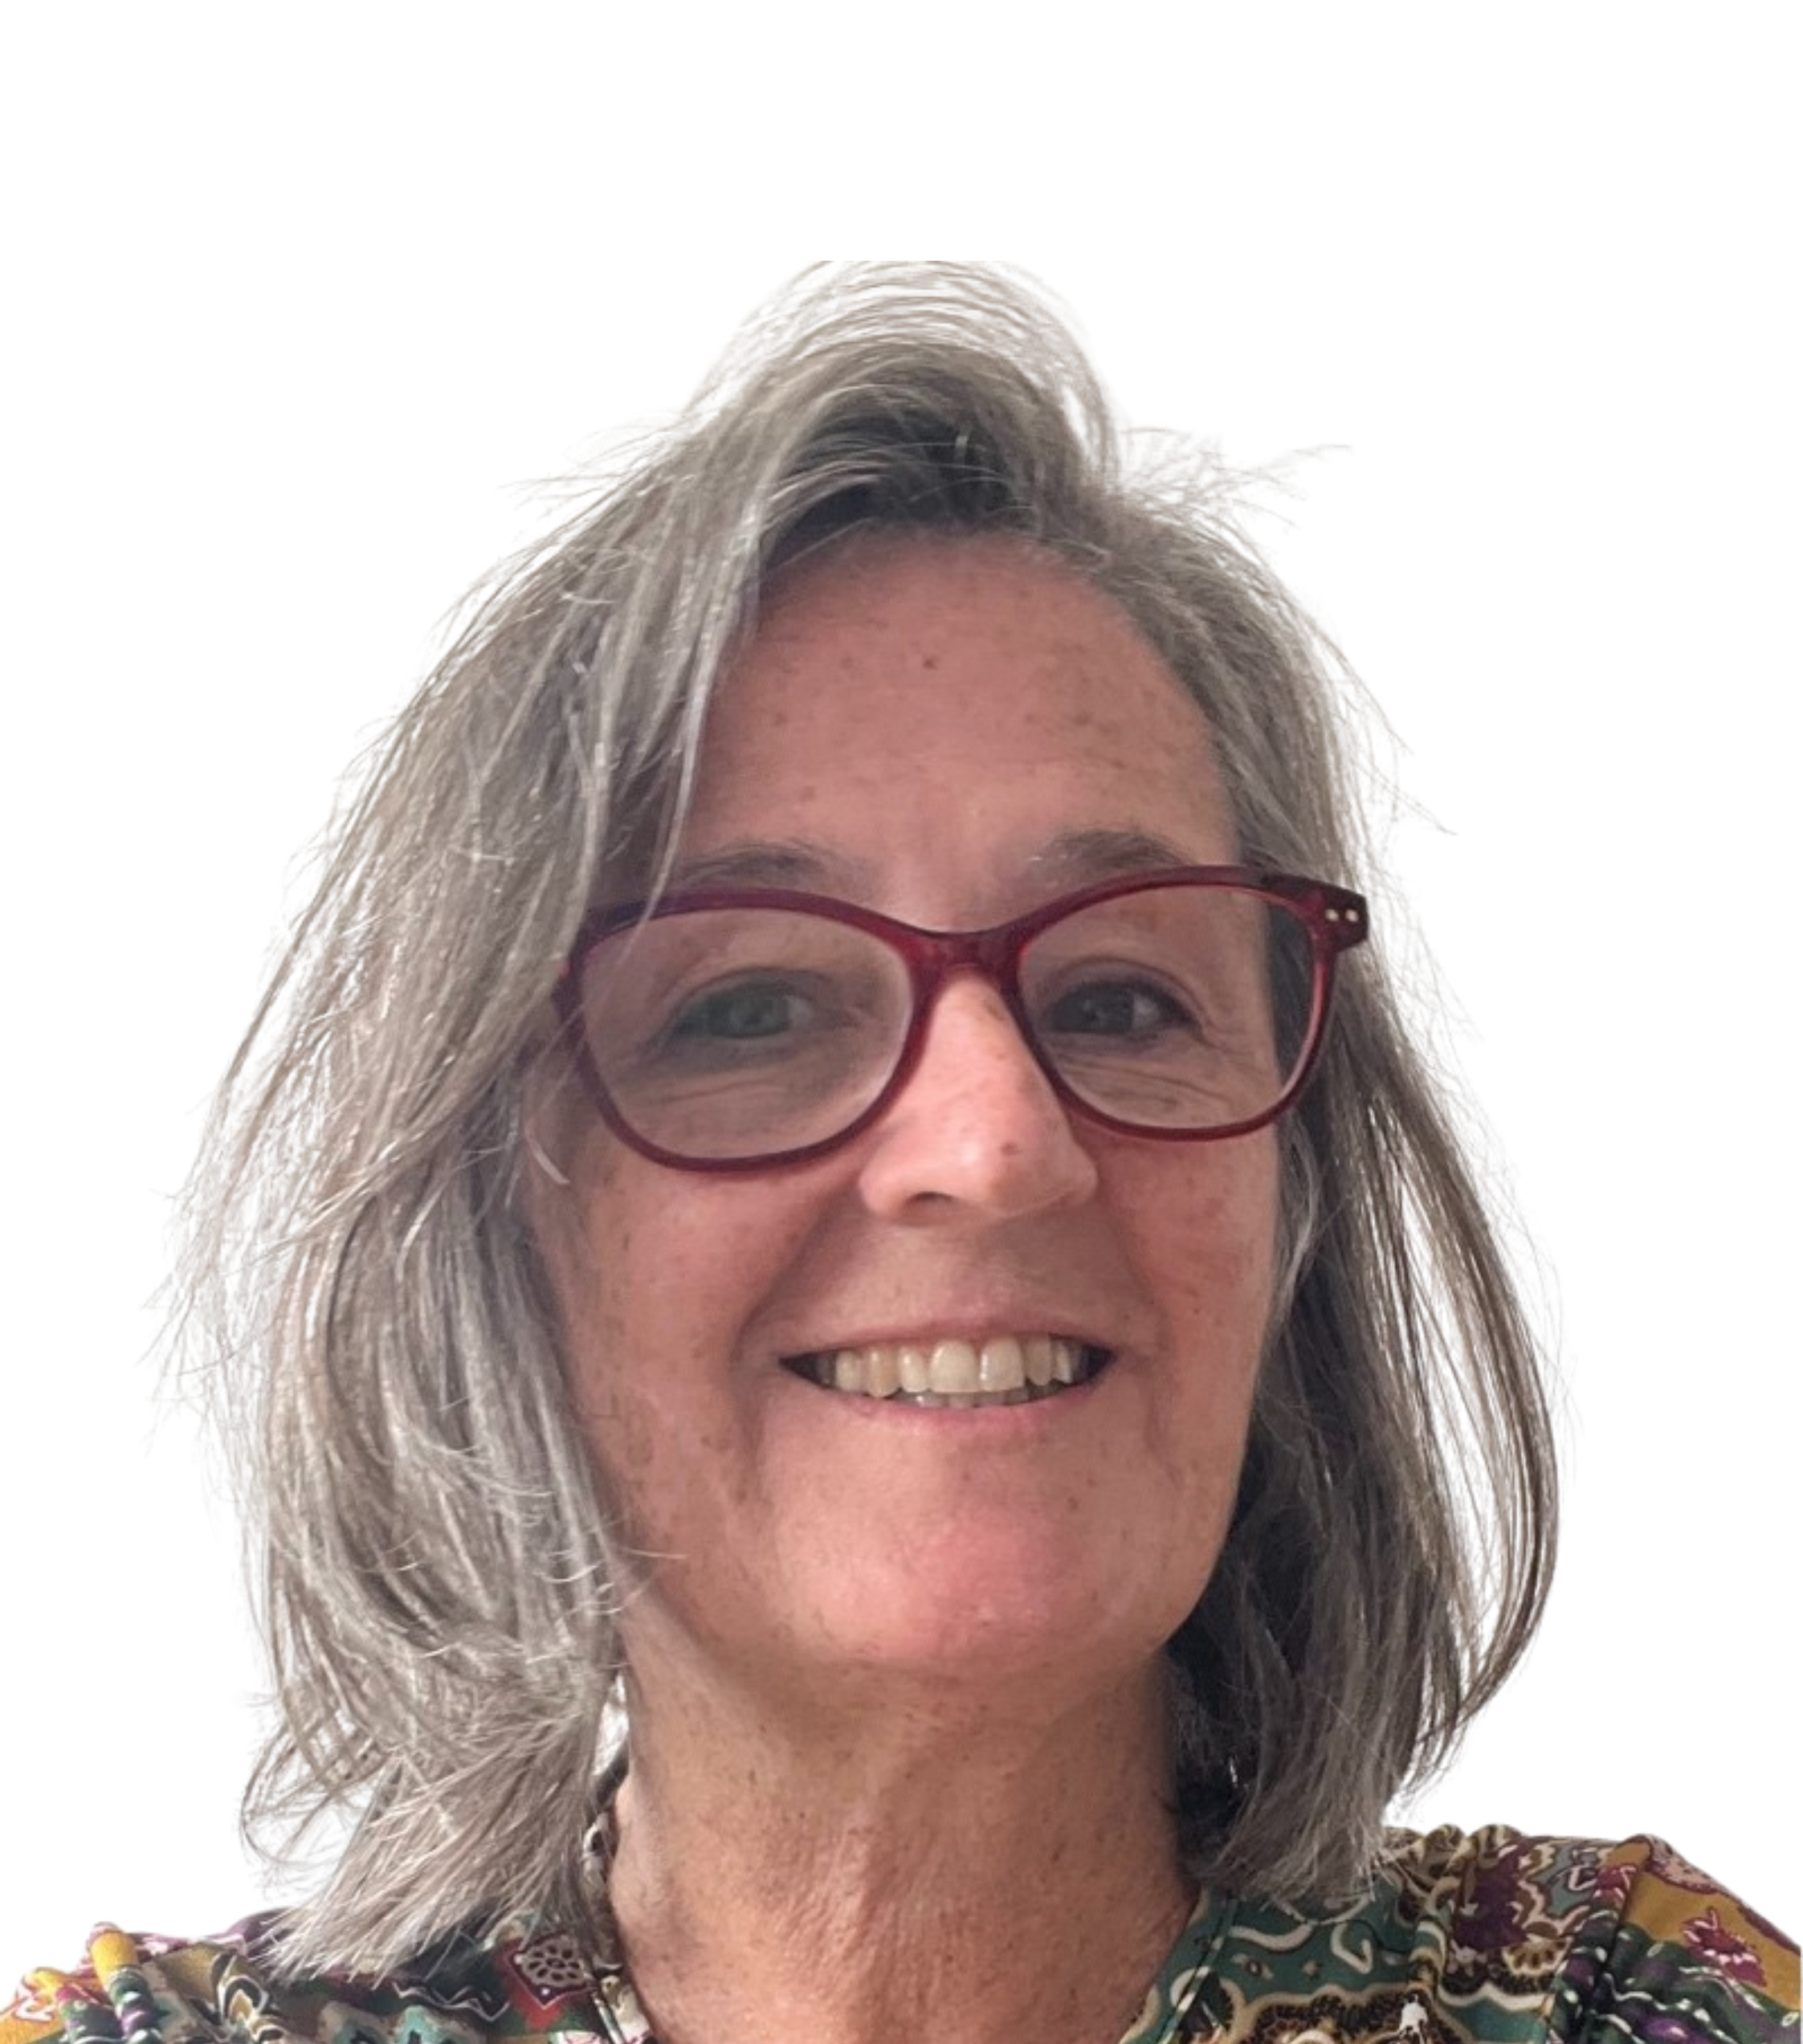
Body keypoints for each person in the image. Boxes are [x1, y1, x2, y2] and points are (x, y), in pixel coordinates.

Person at [6, 263, 1793, 2044]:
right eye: (749, 1008)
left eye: (1120, 995)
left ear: (1294, 1215)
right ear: (488, 1226)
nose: (995, 1142)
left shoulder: (1623, 1997)